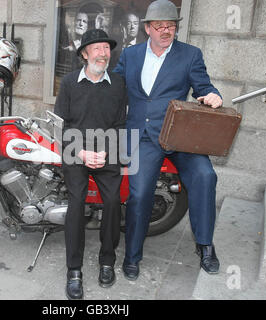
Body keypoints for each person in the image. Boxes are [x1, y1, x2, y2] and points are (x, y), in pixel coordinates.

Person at [113, 0, 223, 281]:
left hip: (178, 134)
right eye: (160, 26)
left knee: (205, 176)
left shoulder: (190, 55)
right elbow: (113, 88)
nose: (166, 31)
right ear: (147, 28)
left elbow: (203, 86)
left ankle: (205, 245)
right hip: (143, 137)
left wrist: (212, 95)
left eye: (171, 26)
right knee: (139, 194)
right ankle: (132, 255)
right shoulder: (131, 55)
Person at [54, 29, 127, 300]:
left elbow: (120, 125)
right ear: (84, 54)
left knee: (112, 202)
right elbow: (59, 127)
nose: (103, 53)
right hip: (76, 151)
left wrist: (106, 153)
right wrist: (82, 153)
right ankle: (74, 270)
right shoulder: (70, 83)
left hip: (107, 151)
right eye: (96, 48)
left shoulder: (118, 83)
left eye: (106, 48)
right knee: (77, 204)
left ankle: (107, 261)